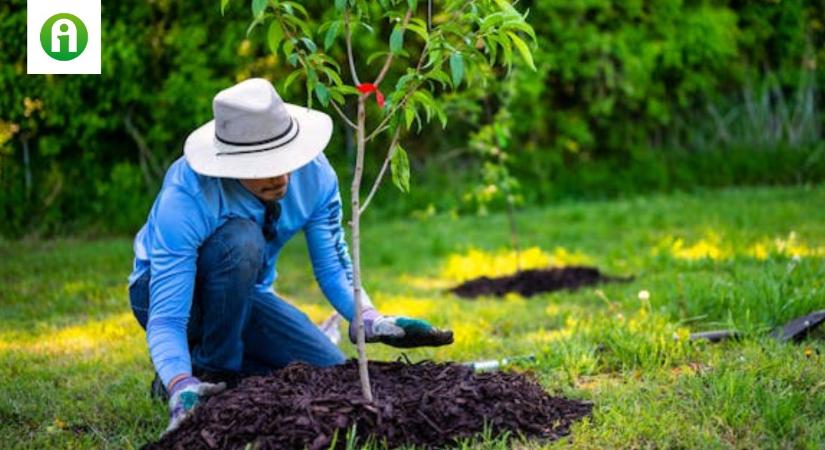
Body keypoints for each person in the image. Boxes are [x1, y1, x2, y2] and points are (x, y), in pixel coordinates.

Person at [127, 78, 452, 433]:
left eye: (285, 158)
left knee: (328, 370)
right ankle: (203, 373)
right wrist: (179, 383)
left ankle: (215, 369)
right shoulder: (189, 195)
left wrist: (369, 318)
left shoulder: (315, 175)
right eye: (261, 164)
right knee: (242, 239)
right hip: (165, 296)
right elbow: (167, 318)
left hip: (247, 294)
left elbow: (333, 266)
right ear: (230, 163)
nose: (281, 175)